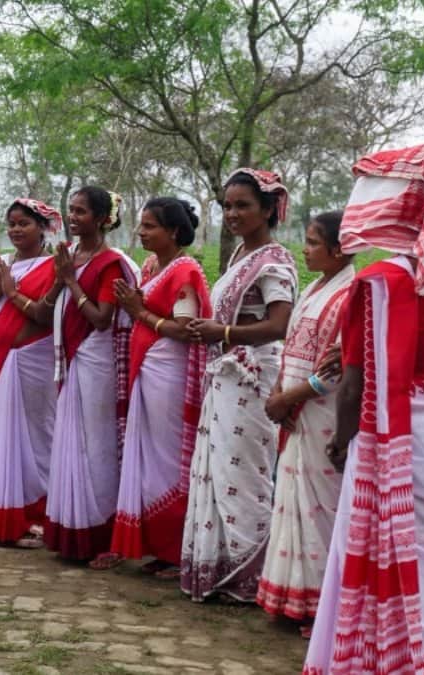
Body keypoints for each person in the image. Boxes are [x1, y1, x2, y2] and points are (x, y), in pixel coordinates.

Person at [305, 142, 424, 674]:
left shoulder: (387, 283)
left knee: (389, 570)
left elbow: (353, 385)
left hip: (403, 450)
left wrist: (341, 441)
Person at [182, 168, 297, 603]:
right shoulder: (239, 256)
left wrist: (224, 333)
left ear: (268, 210)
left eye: (243, 205)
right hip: (227, 373)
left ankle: (254, 576)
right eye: (227, 206)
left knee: (244, 473)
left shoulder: (274, 261)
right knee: (219, 469)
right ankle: (221, 569)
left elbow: (280, 324)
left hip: (252, 375)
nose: (232, 214)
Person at [256, 211, 354, 635]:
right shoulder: (315, 288)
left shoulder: (349, 295)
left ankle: (322, 606)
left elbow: (336, 370)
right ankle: (293, 597)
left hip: (322, 413)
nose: (306, 249)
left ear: (338, 249)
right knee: (292, 501)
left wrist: (288, 398)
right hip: (295, 409)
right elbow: (292, 347)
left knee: (320, 509)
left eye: (313, 242)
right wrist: (279, 389)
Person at [105, 198, 211, 576]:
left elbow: (185, 329)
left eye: (150, 226)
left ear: (174, 232)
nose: (141, 232)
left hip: (169, 373)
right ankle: (155, 545)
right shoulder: (153, 266)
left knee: (168, 459)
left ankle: (174, 549)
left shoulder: (185, 271)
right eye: (142, 225)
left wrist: (140, 313)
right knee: (149, 458)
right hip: (149, 370)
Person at [44, 187, 139, 564]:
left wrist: (70, 280)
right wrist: (62, 276)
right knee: (72, 441)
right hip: (72, 357)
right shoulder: (71, 254)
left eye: (81, 211)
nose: (73, 216)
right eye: (71, 210)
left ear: (101, 219)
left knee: (95, 444)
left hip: (95, 358)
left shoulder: (110, 263)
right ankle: (72, 528)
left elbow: (101, 318)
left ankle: (100, 533)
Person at [0, 198, 61, 548]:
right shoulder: (1, 263)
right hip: (0, 357)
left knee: (37, 435)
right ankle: (3, 513)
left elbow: (44, 315)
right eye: (11, 224)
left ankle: (37, 515)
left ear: (43, 227)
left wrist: (12, 292)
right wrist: (0, 288)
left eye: (24, 223)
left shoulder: (54, 265)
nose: (16, 229)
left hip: (34, 359)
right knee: (4, 433)